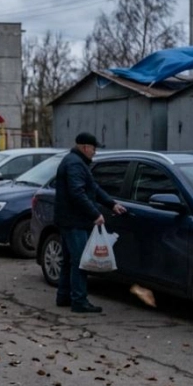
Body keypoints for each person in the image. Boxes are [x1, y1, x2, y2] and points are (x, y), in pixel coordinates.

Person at [53, 132, 126, 314]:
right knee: (80, 262)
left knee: (69, 260)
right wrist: (95, 214)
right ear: (85, 147)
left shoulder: (76, 162)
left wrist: (111, 204)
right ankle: (79, 301)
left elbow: (93, 188)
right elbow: (77, 193)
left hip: (70, 219)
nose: (95, 152)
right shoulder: (75, 164)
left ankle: (64, 296)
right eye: (94, 149)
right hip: (75, 221)